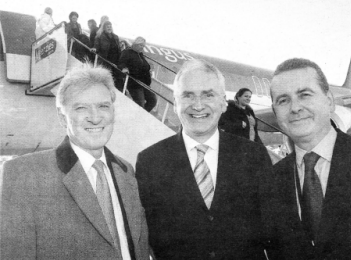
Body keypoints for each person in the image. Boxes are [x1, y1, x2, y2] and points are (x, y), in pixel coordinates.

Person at [0, 64, 150, 259]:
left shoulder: (126, 171)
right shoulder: (25, 175)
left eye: (103, 106)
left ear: (113, 112)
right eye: (81, 108)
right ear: (63, 118)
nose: (95, 118)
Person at [135, 59, 274, 259]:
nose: (198, 105)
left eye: (208, 95)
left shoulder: (254, 157)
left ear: (223, 103)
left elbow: (274, 234)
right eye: (188, 95)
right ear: (175, 104)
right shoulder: (150, 162)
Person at [267, 58, 351, 259]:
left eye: (304, 95)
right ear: (275, 111)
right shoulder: (270, 181)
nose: (295, 108)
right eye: (283, 100)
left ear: (329, 101)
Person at [119, 37, 157, 112]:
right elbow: (121, 63)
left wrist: (148, 69)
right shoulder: (127, 52)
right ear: (135, 44)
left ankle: (141, 115)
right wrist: (124, 68)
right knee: (140, 104)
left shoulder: (140, 55)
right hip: (134, 83)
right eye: (141, 45)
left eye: (143, 46)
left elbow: (145, 65)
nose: (142, 48)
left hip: (144, 83)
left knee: (153, 100)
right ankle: (138, 118)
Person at [93, 21, 124, 91]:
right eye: (107, 26)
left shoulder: (115, 37)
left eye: (110, 26)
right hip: (106, 60)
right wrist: (95, 49)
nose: (109, 28)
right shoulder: (100, 36)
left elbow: (118, 48)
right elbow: (96, 45)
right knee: (106, 78)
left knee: (118, 81)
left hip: (115, 61)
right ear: (104, 28)